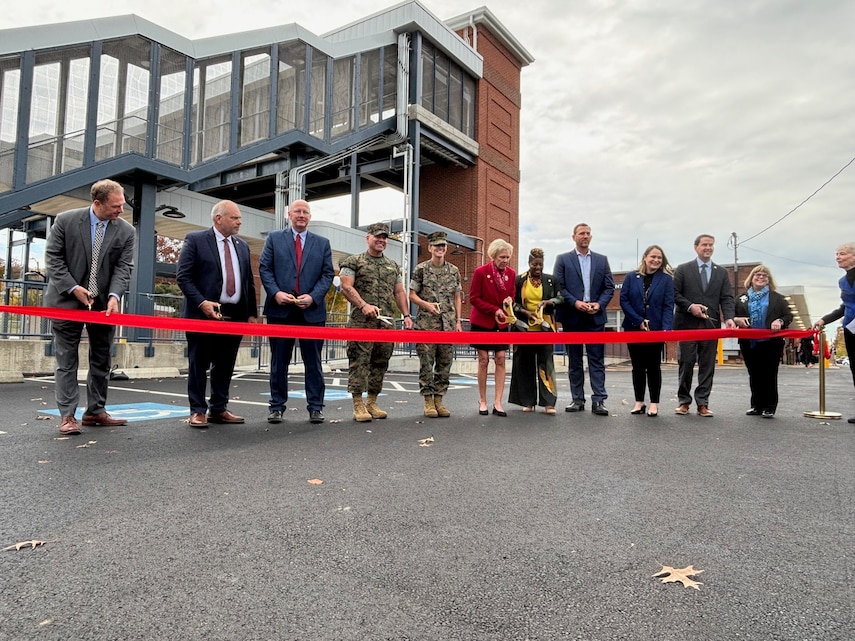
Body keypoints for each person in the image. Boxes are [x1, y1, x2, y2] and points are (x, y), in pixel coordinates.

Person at [43, 179, 136, 435]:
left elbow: (123, 267)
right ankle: (67, 416)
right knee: (67, 360)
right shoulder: (65, 221)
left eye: (123, 205)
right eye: (116, 206)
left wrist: (115, 295)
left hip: (104, 305)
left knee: (102, 358)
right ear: (97, 203)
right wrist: (74, 288)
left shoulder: (126, 231)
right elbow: (53, 259)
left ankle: (95, 412)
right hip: (66, 301)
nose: (121, 210)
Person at [177, 200, 257, 428]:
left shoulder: (242, 246)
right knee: (198, 363)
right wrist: (202, 303)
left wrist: (251, 313)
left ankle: (219, 409)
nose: (239, 222)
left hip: (234, 315)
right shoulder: (195, 240)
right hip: (202, 314)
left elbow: (248, 281)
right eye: (234, 218)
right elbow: (183, 277)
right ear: (218, 218)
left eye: (240, 218)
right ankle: (198, 410)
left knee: (225, 364)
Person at [259, 199, 334, 425]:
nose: (301, 215)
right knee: (278, 362)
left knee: (314, 362)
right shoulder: (274, 238)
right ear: (289, 215)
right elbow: (265, 268)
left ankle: (316, 407)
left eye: (305, 212)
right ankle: (276, 407)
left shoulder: (322, 243)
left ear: (309, 217)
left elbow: (327, 275)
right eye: (297, 211)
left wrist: (313, 297)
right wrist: (275, 293)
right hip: (280, 311)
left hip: (312, 312)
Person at [339, 222, 413, 422]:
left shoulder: (392, 266)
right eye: (377, 236)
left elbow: (399, 291)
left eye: (384, 237)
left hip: (386, 323)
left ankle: (372, 401)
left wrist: (406, 315)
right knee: (359, 362)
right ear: (368, 238)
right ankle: (358, 404)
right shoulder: (354, 261)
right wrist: (363, 305)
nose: (381, 240)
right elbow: (346, 286)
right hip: (361, 322)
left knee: (381, 362)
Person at [553, 223, 614, 416]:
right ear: (574, 237)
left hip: (595, 318)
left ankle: (599, 401)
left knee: (597, 360)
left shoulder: (602, 260)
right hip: (572, 317)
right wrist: (575, 303)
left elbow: (609, 287)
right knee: (575, 361)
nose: (585, 236)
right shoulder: (563, 260)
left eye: (588, 234)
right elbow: (559, 287)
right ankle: (577, 399)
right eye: (581, 233)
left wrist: (599, 304)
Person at [672, 234, 736, 417]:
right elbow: (674, 294)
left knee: (707, 365)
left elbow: (726, 298)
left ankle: (703, 403)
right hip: (687, 325)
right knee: (686, 363)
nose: (708, 248)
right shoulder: (683, 270)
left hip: (711, 325)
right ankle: (684, 401)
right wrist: (691, 307)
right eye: (704, 245)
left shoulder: (721, 273)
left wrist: (729, 317)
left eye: (711, 245)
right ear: (696, 247)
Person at [409, 231, 463, 418]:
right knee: (426, 363)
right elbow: (412, 294)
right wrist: (426, 305)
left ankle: (439, 399)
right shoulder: (421, 269)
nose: (441, 249)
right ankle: (428, 401)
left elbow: (457, 296)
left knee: (445, 363)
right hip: (426, 324)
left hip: (447, 324)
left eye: (443, 246)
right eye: (437, 246)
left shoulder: (454, 270)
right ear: (430, 248)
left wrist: (457, 321)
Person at [619, 244, 675, 418]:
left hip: (656, 330)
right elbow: (624, 300)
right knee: (637, 367)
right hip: (633, 328)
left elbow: (668, 305)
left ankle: (654, 403)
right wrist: (638, 321)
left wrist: (666, 329)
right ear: (645, 257)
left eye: (659, 258)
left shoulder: (665, 280)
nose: (656, 260)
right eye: (653, 257)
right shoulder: (631, 277)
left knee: (653, 367)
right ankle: (639, 402)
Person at [508, 248, 562, 414]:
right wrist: (525, 312)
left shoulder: (551, 280)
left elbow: (561, 298)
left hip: (545, 330)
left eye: (540, 264)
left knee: (546, 364)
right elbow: (512, 303)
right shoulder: (519, 280)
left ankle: (548, 403)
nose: (538, 268)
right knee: (525, 365)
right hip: (523, 329)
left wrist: (548, 302)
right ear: (529, 263)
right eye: (534, 264)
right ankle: (528, 401)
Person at [733, 265, 792, 418]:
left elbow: (788, 316)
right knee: (754, 374)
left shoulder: (777, 298)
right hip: (749, 343)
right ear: (751, 278)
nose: (761, 277)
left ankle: (770, 406)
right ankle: (756, 405)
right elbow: (731, 315)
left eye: (764, 275)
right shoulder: (741, 298)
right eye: (757, 275)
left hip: (771, 343)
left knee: (769, 374)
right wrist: (736, 319)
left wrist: (780, 321)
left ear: (769, 280)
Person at [469, 238, 516, 417]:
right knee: (483, 360)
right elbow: (474, 298)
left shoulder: (511, 274)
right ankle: (483, 400)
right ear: (494, 255)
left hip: (501, 322)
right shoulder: (481, 272)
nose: (505, 260)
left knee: (501, 358)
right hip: (482, 321)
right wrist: (493, 309)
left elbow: (511, 293)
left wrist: (509, 300)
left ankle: (498, 402)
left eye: (508, 257)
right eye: (502, 257)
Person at [812, 241, 855, 424]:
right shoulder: (843, 281)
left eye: (843, 254)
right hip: (851, 328)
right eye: (837, 254)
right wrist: (824, 320)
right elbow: (844, 307)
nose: (838, 257)